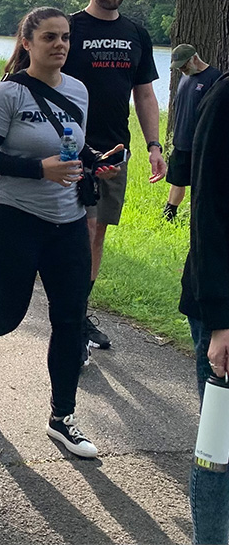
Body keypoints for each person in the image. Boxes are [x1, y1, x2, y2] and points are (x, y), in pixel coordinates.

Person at [0, 7, 123, 459]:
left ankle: (62, 417)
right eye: (50, 37)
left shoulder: (79, 91)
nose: (60, 45)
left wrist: (93, 160)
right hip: (14, 220)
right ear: (27, 42)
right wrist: (37, 170)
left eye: (65, 37)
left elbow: (70, 143)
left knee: (69, 319)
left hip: (67, 225)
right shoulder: (7, 94)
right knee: (7, 314)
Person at [62, 0, 166, 356]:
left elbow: (144, 94)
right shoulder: (68, 28)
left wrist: (155, 145)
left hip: (112, 150)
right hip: (67, 147)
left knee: (95, 231)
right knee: (71, 231)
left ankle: (77, 312)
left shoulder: (136, 34)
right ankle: (68, 313)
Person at [178, 70, 229, 544]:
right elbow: (208, 215)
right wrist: (220, 323)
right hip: (223, 305)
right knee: (222, 441)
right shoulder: (224, 98)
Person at [162, 44, 221, 222]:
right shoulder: (185, 77)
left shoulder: (214, 78)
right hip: (181, 139)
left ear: (194, 58)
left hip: (201, 143)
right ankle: (169, 214)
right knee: (177, 179)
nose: (181, 69)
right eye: (178, 67)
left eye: (183, 65)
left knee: (200, 183)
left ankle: (198, 216)